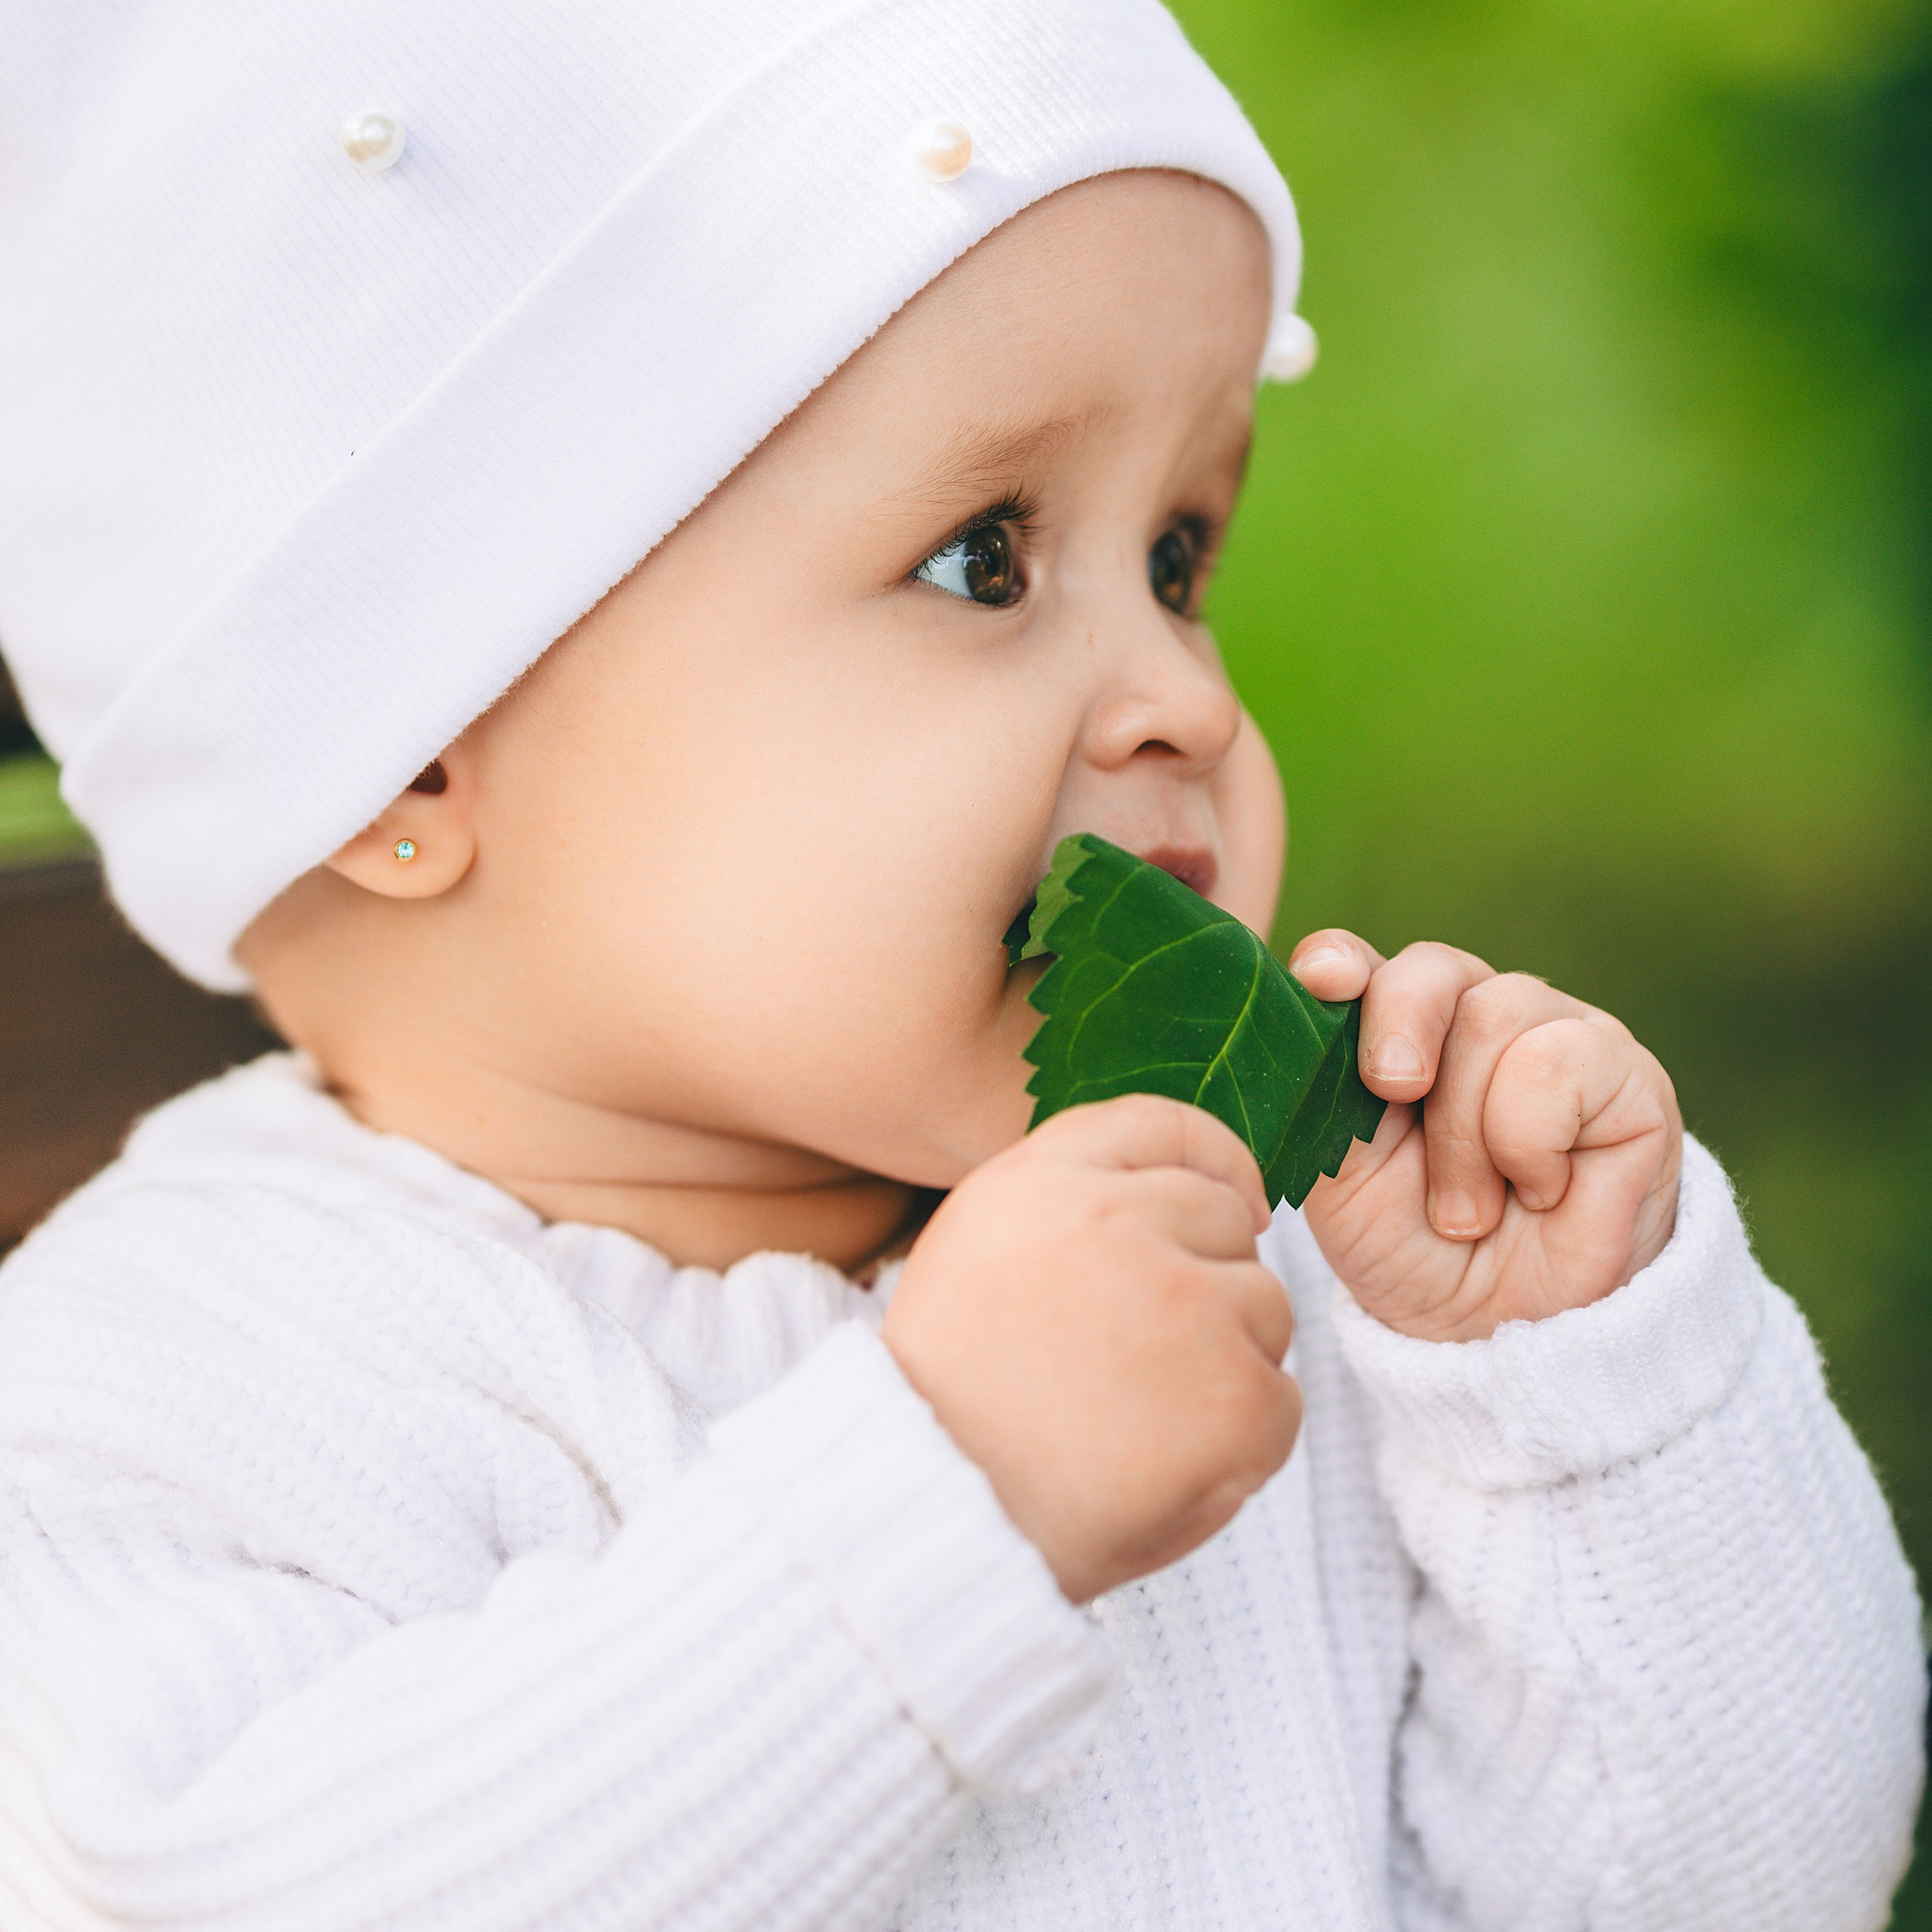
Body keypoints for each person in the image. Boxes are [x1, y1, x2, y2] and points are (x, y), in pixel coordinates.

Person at [0, 2, 1921, 1925]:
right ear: (399, 740)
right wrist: (940, 1513)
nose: (1179, 695)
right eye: (981, 559)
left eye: (1175, 555)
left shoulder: (1270, 1284)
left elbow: (1745, 1890)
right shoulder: (184, 1386)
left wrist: (1575, 1398)